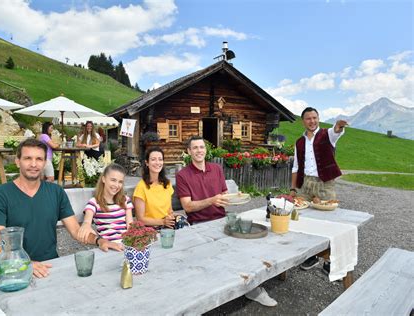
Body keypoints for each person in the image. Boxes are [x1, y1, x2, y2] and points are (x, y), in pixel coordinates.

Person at [0, 139, 122, 279]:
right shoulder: (0, 195)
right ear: (17, 161)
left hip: (50, 266)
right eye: (28, 158)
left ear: (45, 163)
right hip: (14, 271)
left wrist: (100, 241)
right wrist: (26, 264)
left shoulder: (56, 192)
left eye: (39, 159)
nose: (33, 164)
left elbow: (76, 230)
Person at [176, 136, 277, 307]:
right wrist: (211, 200)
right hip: (199, 225)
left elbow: (224, 195)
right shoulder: (182, 175)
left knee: (248, 249)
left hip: (223, 220)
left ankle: (254, 289)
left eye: (202, 147)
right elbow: (188, 207)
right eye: (195, 148)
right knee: (211, 258)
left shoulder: (216, 169)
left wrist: (237, 198)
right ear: (189, 151)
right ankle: (209, 297)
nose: (199, 150)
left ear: (206, 150)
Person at [290, 107, 348, 273]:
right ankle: (311, 255)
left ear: (319, 118)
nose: (312, 121)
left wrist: (339, 126)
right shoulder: (299, 142)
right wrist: (293, 189)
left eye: (315, 117)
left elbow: (336, 131)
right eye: (308, 118)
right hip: (304, 184)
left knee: (329, 220)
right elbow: (295, 166)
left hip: (324, 183)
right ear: (303, 121)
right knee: (303, 219)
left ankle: (330, 261)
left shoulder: (327, 134)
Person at [77, 163, 133, 243]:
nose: (116, 185)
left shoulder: (125, 200)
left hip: (126, 244)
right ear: (103, 179)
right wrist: (86, 225)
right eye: (113, 180)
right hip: (107, 245)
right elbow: (87, 220)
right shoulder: (94, 202)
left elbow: (130, 225)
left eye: (120, 182)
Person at [133, 146, 175, 228]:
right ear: (147, 163)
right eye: (153, 159)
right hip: (151, 228)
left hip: (167, 226)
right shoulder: (141, 187)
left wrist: (171, 216)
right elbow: (140, 219)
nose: (157, 162)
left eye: (160, 159)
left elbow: (169, 210)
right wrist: (162, 222)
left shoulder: (167, 184)